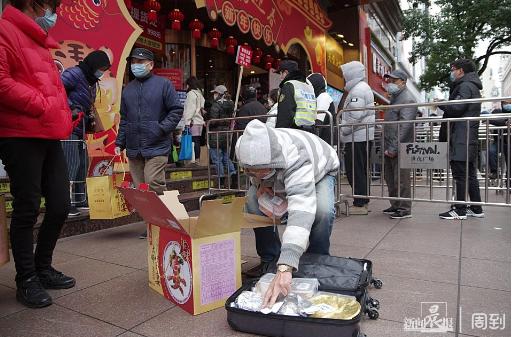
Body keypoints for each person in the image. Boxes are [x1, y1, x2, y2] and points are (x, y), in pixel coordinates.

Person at [0, 0, 76, 308]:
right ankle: (26, 279)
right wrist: (42, 105)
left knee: (60, 204)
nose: (53, 14)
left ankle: (43, 266)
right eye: (51, 6)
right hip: (19, 134)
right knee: (27, 206)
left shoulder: (37, 39)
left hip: (47, 132)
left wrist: (63, 114)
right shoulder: (5, 31)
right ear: (34, 4)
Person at [236, 120, 339, 307]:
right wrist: (260, 184)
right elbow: (256, 173)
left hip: (320, 168)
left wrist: (286, 266)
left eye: (261, 170)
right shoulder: (247, 149)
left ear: (273, 160)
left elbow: (301, 211)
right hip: (281, 171)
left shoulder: (295, 157)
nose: (256, 174)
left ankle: (317, 259)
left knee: (322, 210)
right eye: (252, 171)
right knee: (252, 202)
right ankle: (270, 259)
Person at [115, 48, 183, 238]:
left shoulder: (163, 85)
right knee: (141, 191)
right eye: (133, 62)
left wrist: (160, 129)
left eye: (140, 62)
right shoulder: (128, 89)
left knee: (154, 183)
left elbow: (176, 110)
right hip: (134, 147)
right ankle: (152, 225)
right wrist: (120, 142)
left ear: (151, 65)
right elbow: (125, 119)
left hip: (157, 145)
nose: (136, 65)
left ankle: (165, 223)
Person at [61, 50, 111, 216]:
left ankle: (79, 198)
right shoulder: (75, 74)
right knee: (70, 164)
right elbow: (56, 88)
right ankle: (64, 202)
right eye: (101, 68)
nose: (102, 72)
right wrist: (71, 107)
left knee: (82, 164)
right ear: (93, 64)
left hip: (80, 127)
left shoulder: (91, 80)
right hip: (67, 125)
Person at [438, 59, 484, 220]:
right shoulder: (471, 85)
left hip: (461, 137)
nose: (452, 72)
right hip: (465, 136)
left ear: (461, 70)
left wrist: (442, 104)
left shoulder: (465, 86)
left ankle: (460, 209)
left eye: (453, 69)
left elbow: (457, 107)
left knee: (460, 175)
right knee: (469, 174)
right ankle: (476, 208)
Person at [338, 61, 375, 215]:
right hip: (361, 136)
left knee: (355, 170)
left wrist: (343, 131)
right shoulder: (361, 88)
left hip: (356, 137)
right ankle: (362, 201)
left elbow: (355, 116)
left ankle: (360, 204)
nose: (343, 77)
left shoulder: (357, 90)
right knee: (360, 170)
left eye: (344, 74)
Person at [382, 69, 417, 219]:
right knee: (390, 177)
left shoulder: (407, 98)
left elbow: (405, 125)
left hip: (400, 146)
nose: (390, 83)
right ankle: (396, 204)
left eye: (394, 80)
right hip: (391, 143)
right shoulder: (396, 97)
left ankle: (404, 208)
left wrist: (394, 147)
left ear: (403, 81)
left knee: (401, 178)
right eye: (389, 80)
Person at [275, 60, 317, 132]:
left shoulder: (289, 85)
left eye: (281, 73)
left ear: (286, 72)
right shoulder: (309, 87)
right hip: (311, 131)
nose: (280, 77)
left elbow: (285, 114)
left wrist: (279, 132)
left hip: (295, 131)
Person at [206, 85, 236, 184]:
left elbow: (214, 121)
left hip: (216, 134)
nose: (214, 95)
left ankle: (221, 178)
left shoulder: (216, 105)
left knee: (216, 158)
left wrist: (207, 118)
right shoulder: (231, 104)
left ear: (219, 94)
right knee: (226, 157)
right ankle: (233, 174)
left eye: (215, 93)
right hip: (226, 133)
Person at [306, 73, 335, 144]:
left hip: (325, 141)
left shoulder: (324, 97)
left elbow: (318, 124)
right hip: (324, 140)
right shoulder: (319, 97)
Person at [182, 76, 205, 163]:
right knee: (197, 141)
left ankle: (193, 159)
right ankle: (197, 159)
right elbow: (201, 107)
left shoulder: (191, 94)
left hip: (193, 122)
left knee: (193, 141)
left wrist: (187, 121)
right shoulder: (199, 94)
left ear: (189, 85)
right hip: (199, 122)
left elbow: (190, 109)